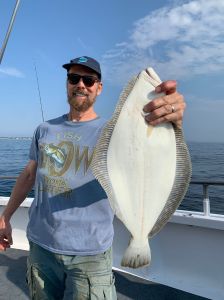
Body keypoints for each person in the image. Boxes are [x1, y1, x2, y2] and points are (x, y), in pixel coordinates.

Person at [0, 56, 186, 299]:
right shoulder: (44, 129)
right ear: (67, 84)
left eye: (88, 80)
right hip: (40, 245)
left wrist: (173, 121)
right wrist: (5, 216)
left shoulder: (116, 131)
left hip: (91, 253)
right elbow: (28, 175)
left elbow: (150, 151)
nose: (81, 85)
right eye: (74, 78)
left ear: (99, 88)